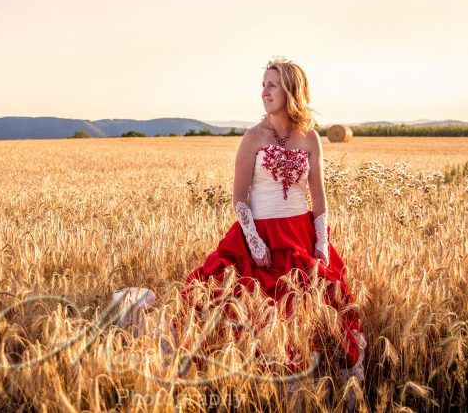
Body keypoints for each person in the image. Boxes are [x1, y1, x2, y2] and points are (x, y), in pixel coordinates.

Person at [112, 57, 366, 396]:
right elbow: (240, 198)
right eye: (263, 85)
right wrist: (255, 242)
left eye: (271, 84)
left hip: (299, 236)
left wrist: (321, 241)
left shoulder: (311, 138)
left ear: (292, 88)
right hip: (258, 235)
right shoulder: (253, 137)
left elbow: (319, 195)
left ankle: (312, 376)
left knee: (315, 306)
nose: (264, 91)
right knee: (228, 306)